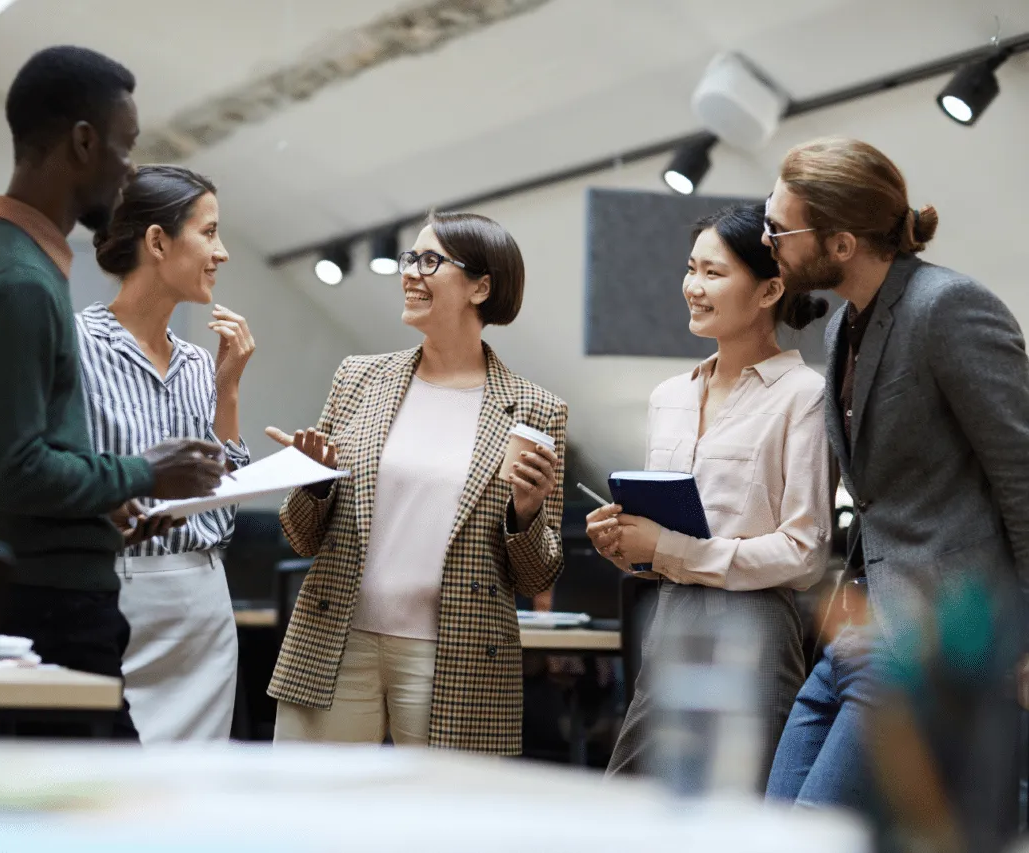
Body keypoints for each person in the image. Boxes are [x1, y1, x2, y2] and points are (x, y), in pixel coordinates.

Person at [0, 47, 225, 740]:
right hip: (46, 609)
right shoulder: (19, 281)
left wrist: (95, 503)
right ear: (84, 142)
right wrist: (147, 472)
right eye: (126, 146)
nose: (130, 170)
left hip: (12, 593)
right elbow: (11, 467)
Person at [761, 137, 1029, 842]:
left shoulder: (950, 307)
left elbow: (1023, 476)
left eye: (780, 230)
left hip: (940, 642)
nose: (769, 243)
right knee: (770, 829)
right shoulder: (842, 327)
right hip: (862, 635)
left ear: (842, 242)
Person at [265, 211, 567, 754]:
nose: (410, 273)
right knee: (308, 821)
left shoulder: (537, 410)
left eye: (431, 261)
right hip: (335, 641)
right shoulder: (358, 378)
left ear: (482, 286)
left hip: (456, 655)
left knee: (444, 829)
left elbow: (536, 574)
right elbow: (301, 536)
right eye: (410, 258)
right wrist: (313, 484)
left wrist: (526, 512)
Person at [588, 203, 833, 789]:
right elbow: (663, 539)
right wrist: (624, 543)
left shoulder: (805, 395)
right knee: (631, 802)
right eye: (691, 268)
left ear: (771, 288)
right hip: (670, 619)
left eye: (714, 273)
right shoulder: (667, 396)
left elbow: (803, 554)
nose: (693, 287)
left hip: (756, 627)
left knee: (736, 815)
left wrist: (668, 547)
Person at [78, 165, 254, 742]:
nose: (221, 252)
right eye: (209, 232)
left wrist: (227, 392)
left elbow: (221, 517)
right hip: (112, 599)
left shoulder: (202, 364)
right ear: (157, 242)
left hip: (203, 608)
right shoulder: (74, 347)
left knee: (191, 807)